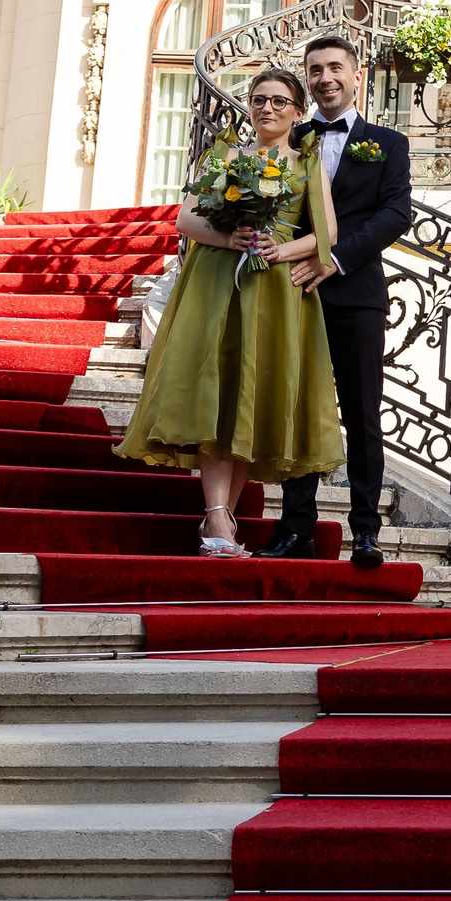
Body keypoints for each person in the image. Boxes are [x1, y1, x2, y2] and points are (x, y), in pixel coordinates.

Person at [117, 66, 343, 556]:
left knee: (251, 395)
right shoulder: (225, 155)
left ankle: (221, 519)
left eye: (280, 101)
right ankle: (217, 515)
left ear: (298, 112)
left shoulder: (307, 165)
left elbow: (326, 235)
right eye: (259, 99)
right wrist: (229, 236)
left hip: (275, 292)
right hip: (216, 283)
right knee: (213, 391)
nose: (267, 108)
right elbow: (186, 219)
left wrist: (280, 251)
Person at [256, 33, 415, 569]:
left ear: (356, 76)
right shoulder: (289, 137)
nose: (325, 78)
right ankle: (295, 528)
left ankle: (365, 532)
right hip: (294, 292)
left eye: (334, 68)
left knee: (362, 413)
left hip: (356, 294)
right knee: (297, 410)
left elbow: (394, 215)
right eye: (315, 70)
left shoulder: (388, 143)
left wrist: (335, 257)